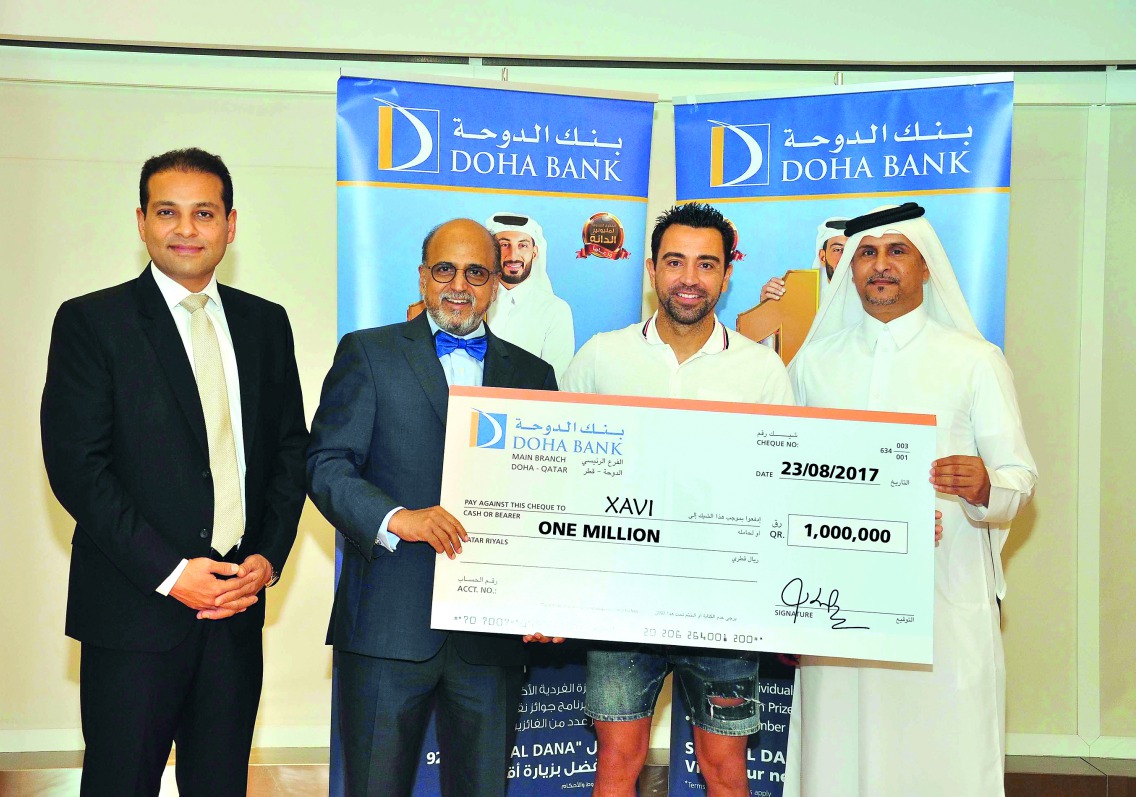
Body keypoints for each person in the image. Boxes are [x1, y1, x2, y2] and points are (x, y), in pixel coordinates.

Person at [40, 148, 308, 796]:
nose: (186, 229)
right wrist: (173, 573)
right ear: (141, 221)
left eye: (203, 213)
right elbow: (79, 468)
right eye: (168, 211)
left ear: (231, 225)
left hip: (236, 612)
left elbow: (290, 452)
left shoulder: (266, 324)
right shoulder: (91, 321)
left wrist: (268, 556)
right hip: (134, 614)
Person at [786, 203, 1037, 797]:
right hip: (836, 598)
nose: (880, 266)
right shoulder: (813, 364)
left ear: (926, 267)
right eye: (866, 253)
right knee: (837, 747)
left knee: (939, 749)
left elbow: (1018, 477)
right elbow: (786, 484)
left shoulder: (974, 360)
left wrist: (983, 485)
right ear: (848, 269)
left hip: (940, 596)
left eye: (897, 251)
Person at [308, 218, 559, 797]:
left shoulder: (533, 374)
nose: (459, 285)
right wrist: (398, 518)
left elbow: (545, 499)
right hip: (387, 627)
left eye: (477, 272)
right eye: (445, 269)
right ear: (423, 277)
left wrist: (545, 596)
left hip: (490, 638)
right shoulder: (367, 353)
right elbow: (326, 465)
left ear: (496, 283)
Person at [562, 202, 795, 797]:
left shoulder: (762, 371)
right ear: (651, 269)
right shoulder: (600, 357)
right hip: (620, 596)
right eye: (675, 262)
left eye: (706, 264)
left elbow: (782, 489)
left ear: (725, 275)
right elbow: (560, 478)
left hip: (723, 600)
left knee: (724, 767)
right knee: (618, 759)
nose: (689, 278)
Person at [483, 211, 576, 380]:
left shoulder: (555, 311)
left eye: (522, 245)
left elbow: (554, 382)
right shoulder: (473, 303)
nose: (513, 256)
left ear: (535, 252)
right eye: (504, 245)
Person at [759, 216, 848, 303]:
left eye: (852, 249)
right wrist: (767, 307)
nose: (845, 257)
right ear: (822, 257)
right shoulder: (799, 296)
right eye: (837, 250)